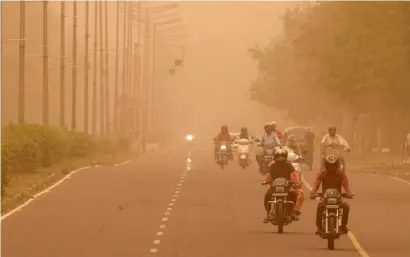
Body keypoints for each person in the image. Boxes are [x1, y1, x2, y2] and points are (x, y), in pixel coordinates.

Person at [309, 154, 353, 235]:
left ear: (337, 165)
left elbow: (345, 182)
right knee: (320, 207)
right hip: (325, 197)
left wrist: (348, 193)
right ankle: (319, 227)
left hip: (338, 197)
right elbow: (317, 182)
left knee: (346, 207)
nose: (331, 167)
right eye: (329, 165)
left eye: (333, 165)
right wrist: (313, 192)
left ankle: (343, 226)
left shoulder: (340, 173)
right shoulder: (323, 173)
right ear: (326, 165)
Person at [262, 149, 304, 223]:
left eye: (282, 156)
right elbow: (268, 175)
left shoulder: (288, 165)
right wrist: (265, 181)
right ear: (275, 157)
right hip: (274, 187)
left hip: (286, 187)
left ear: (285, 157)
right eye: (278, 156)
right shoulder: (272, 165)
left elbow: (294, 173)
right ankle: (268, 214)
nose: (280, 158)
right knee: (267, 197)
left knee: (294, 194)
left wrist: (297, 182)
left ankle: (292, 212)